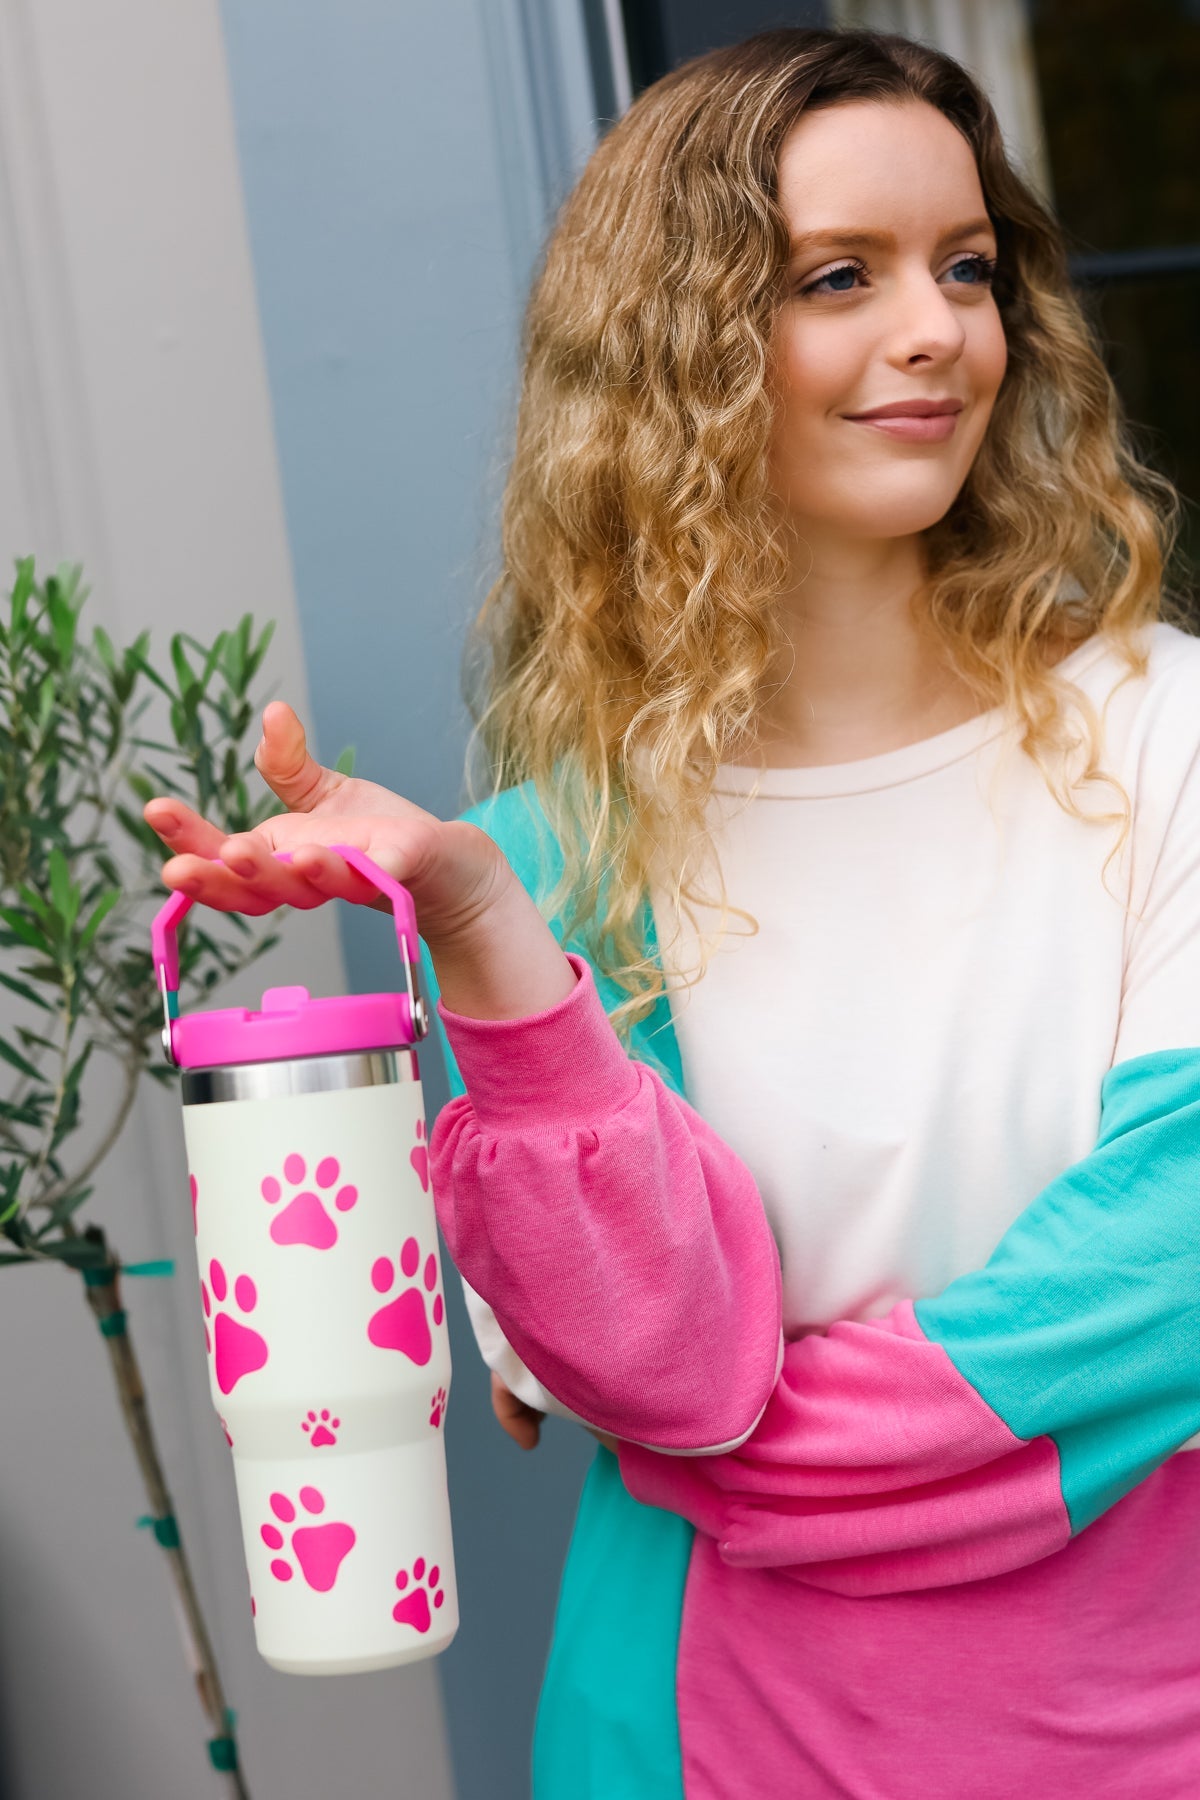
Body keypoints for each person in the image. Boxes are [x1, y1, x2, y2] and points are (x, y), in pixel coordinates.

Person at [146, 27, 1200, 1799]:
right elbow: (664, 1365)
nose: (936, 328)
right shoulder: (549, 861)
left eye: (968, 266)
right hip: (712, 1736)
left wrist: (767, 1451)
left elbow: (1166, 1252)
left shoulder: (1164, 731)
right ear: (680, 356)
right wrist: (483, 926)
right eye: (837, 279)